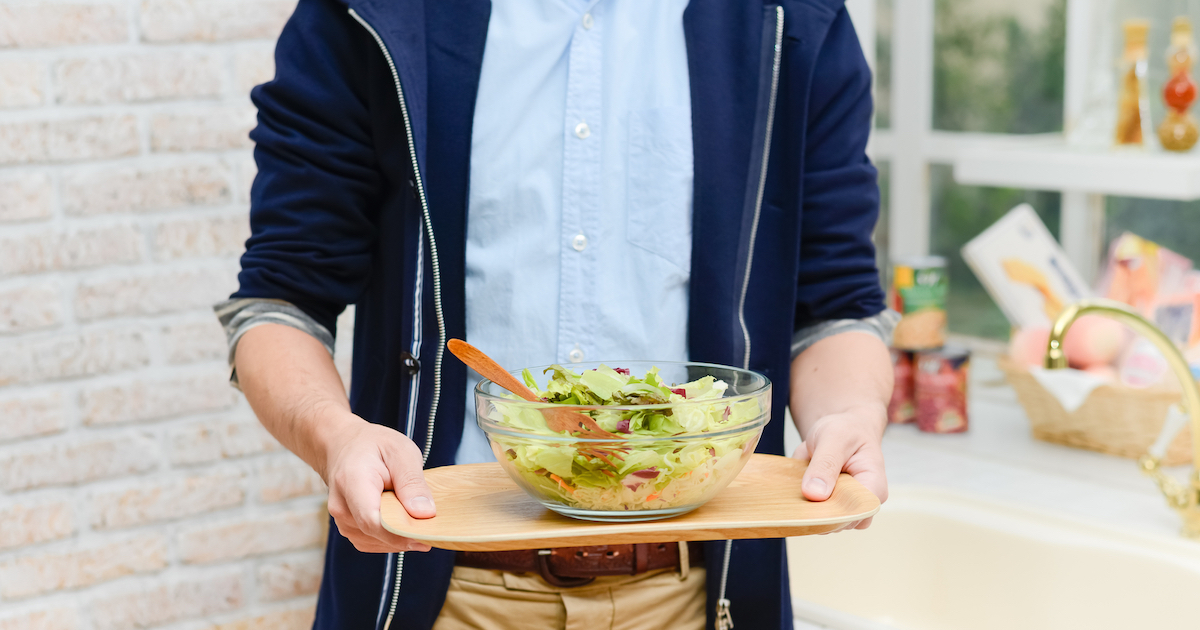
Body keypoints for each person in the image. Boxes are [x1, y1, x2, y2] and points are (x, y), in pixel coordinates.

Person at [216, 0, 895, 628]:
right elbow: (281, 303)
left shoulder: (793, 16)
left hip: (695, 594)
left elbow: (834, 307)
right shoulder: (371, 12)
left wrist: (849, 416)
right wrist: (335, 436)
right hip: (443, 594)